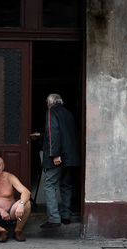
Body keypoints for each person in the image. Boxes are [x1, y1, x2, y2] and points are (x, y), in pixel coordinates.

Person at [31, 93, 80, 228]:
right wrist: (41, 135)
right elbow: (64, 133)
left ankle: (54, 219)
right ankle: (66, 216)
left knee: (49, 185)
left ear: (50, 103)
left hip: (58, 157)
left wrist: (55, 155)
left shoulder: (51, 112)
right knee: (66, 185)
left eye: (47, 103)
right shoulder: (68, 113)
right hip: (71, 157)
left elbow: (54, 132)